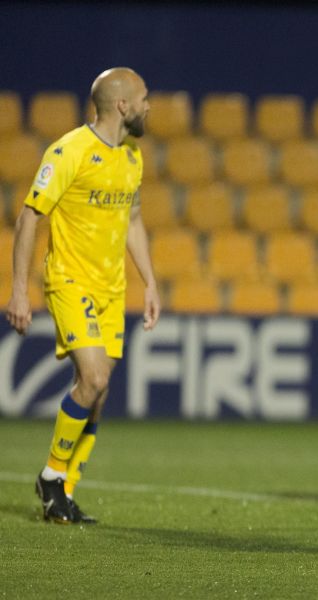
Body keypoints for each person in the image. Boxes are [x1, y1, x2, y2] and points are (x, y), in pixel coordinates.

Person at [4, 67, 160, 524]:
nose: (149, 106)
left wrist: (150, 281)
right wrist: (19, 290)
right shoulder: (69, 151)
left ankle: (64, 493)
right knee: (92, 378)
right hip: (70, 281)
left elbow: (133, 220)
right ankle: (52, 476)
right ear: (123, 106)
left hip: (113, 287)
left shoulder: (132, 156)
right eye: (144, 98)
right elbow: (29, 217)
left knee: (100, 390)